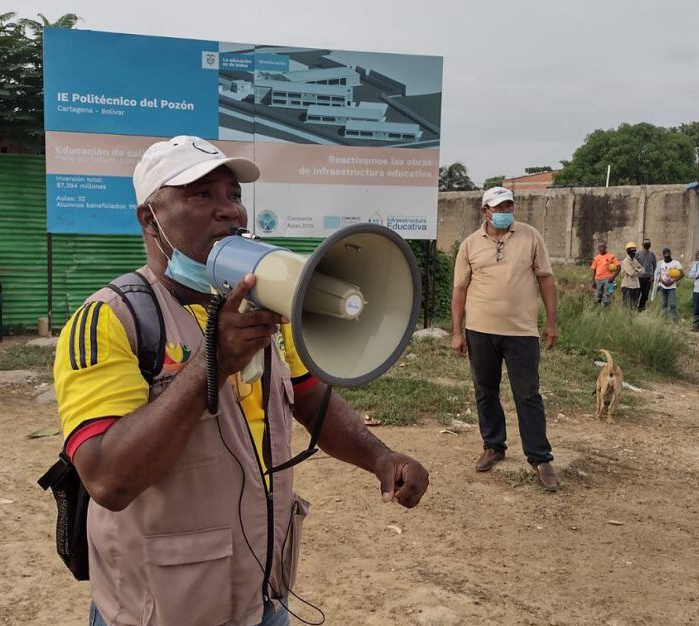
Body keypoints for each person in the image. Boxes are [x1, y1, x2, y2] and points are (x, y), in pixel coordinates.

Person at [53, 136, 429, 626]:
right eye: (201, 195)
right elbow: (108, 479)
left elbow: (310, 398)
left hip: (263, 595)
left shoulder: (266, 311)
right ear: (150, 219)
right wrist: (212, 363)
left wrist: (379, 456)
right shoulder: (112, 319)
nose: (229, 212)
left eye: (233, 195)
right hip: (161, 610)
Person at [453, 186, 559, 489]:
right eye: (499, 208)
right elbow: (460, 289)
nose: (505, 212)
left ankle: (540, 458)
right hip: (480, 330)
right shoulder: (471, 245)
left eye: (509, 206)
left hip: (521, 331)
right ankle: (493, 446)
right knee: (485, 390)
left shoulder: (530, 236)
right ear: (484, 211)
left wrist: (551, 323)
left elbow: (546, 279)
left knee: (528, 394)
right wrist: (457, 331)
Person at [655, 248, 684, 320]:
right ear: (663, 254)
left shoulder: (676, 263)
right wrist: (662, 281)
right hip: (662, 286)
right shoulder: (660, 263)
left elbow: (682, 274)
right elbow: (658, 274)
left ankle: (675, 320)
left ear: (670, 253)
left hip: (672, 287)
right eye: (665, 253)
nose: (666, 254)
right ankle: (663, 320)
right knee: (663, 304)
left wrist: (673, 281)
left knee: (672, 304)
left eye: (668, 253)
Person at [590, 241, 619, 306]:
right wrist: (592, 280)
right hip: (598, 280)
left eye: (603, 246)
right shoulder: (596, 258)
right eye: (600, 247)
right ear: (598, 248)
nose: (601, 248)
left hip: (610, 280)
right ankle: (597, 311)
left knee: (609, 294)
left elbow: (618, 267)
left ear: (606, 247)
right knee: (597, 296)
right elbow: (593, 269)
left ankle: (606, 311)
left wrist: (613, 277)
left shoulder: (611, 256)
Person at [620, 242, 644, 310]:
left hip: (635, 286)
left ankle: (632, 318)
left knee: (634, 305)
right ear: (628, 251)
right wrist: (638, 270)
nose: (634, 252)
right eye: (632, 250)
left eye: (635, 250)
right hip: (627, 286)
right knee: (627, 305)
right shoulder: (626, 261)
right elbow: (631, 273)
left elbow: (643, 269)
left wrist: (636, 269)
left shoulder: (635, 260)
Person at [636, 238, 657, 312]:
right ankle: (634, 308)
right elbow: (634, 265)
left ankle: (641, 308)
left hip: (648, 278)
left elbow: (655, 266)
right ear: (642, 244)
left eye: (648, 243)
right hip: (639, 278)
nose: (647, 244)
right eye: (646, 243)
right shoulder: (637, 254)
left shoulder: (652, 254)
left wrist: (653, 276)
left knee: (645, 295)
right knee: (637, 294)